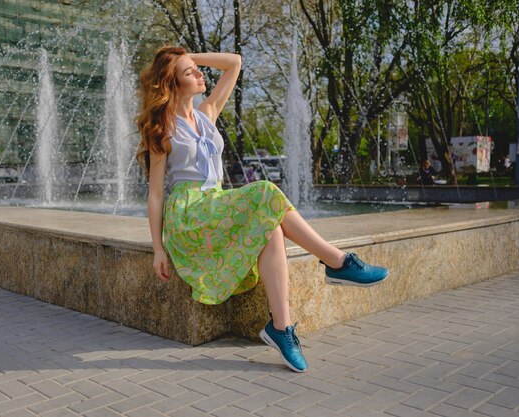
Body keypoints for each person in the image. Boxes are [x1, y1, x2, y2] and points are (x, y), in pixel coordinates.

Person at [136, 46, 389, 373]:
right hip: (189, 214)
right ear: (173, 84)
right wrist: (158, 247)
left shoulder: (207, 112)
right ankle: (336, 261)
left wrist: (187, 58)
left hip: (214, 203)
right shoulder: (163, 129)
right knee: (266, 192)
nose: (200, 74)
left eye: (197, 69)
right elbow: (156, 194)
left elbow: (235, 63)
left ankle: (281, 330)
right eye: (190, 73)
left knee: (270, 228)